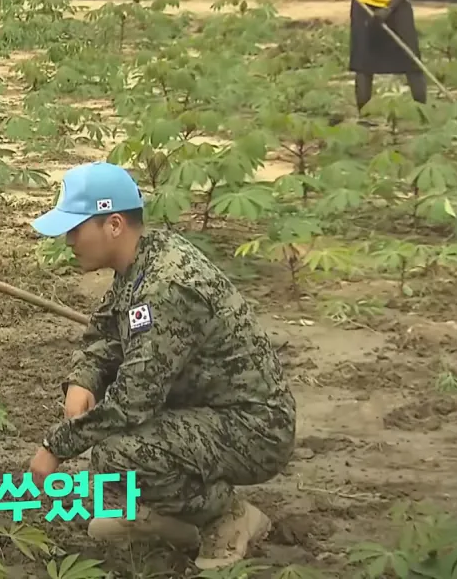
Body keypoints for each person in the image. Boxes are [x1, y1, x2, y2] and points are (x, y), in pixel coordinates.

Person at [25, 162, 297, 570]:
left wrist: (55, 447)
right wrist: (83, 378)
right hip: (207, 408)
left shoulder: (164, 286)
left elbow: (134, 400)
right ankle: (172, 516)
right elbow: (105, 332)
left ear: (113, 224)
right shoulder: (141, 261)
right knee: (118, 446)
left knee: (119, 454)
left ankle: (227, 517)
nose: (68, 241)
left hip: (254, 426)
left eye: (75, 228)